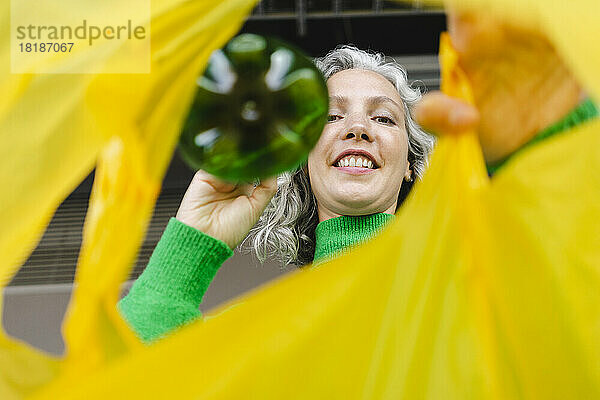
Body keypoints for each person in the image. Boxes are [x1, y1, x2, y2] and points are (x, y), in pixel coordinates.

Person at [118, 46, 435, 343]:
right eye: (330, 117)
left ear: (411, 162)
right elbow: (118, 377)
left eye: (383, 118)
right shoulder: (254, 338)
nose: (357, 128)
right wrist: (193, 246)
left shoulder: (462, 308)